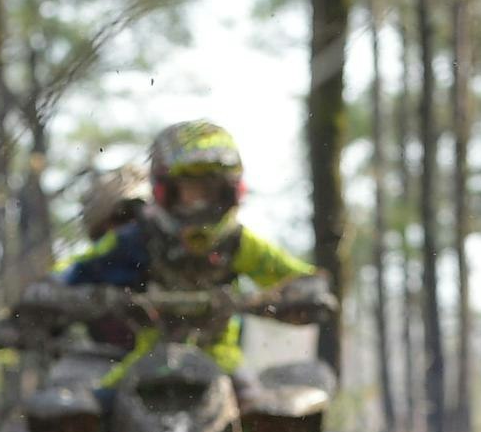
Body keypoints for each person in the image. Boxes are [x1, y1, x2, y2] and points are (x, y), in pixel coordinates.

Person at [21, 120, 331, 381]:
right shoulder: (137, 239)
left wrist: (299, 295)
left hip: (221, 363)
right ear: (164, 190)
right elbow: (78, 269)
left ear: (229, 191)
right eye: (188, 191)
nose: (197, 203)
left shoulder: (239, 242)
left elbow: (301, 279)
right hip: (146, 357)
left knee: (270, 416)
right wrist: (49, 290)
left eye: (208, 191)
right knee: (77, 412)